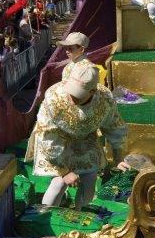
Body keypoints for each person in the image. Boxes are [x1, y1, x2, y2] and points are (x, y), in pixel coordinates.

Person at [25, 63, 128, 209]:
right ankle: (43, 216)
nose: (71, 98)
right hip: (55, 142)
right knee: (59, 182)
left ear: (92, 92)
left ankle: (79, 215)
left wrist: (119, 158)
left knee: (90, 177)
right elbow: (48, 137)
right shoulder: (55, 97)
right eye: (70, 92)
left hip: (85, 139)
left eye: (77, 95)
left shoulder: (104, 99)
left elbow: (114, 126)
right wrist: (64, 172)